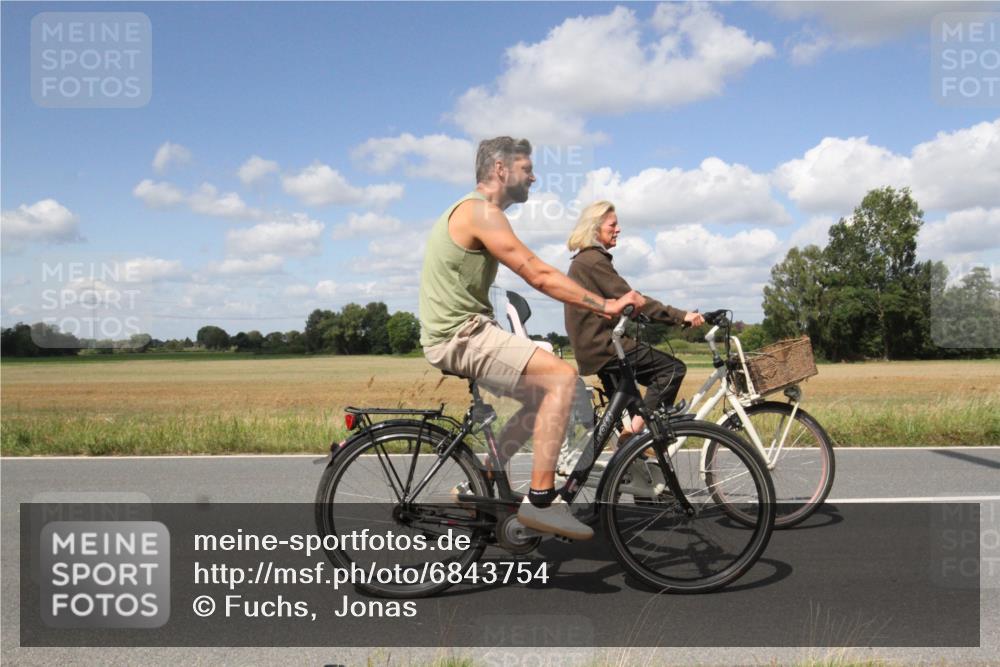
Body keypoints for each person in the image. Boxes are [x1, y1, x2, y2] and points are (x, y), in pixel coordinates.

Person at [418, 138, 644, 541]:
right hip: (461, 335)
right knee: (562, 380)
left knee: (542, 394)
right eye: (527, 168)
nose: (534, 176)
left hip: (461, 331)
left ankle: (483, 479)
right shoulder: (479, 212)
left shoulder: (473, 211)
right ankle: (541, 502)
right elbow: (536, 273)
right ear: (501, 170)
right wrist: (605, 306)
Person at [564, 200, 705, 442]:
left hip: (593, 349)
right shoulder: (594, 260)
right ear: (595, 228)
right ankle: (635, 433)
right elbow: (633, 300)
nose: (618, 229)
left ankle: (633, 447)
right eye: (613, 225)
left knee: (633, 413)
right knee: (672, 370)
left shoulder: (584, 261)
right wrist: (681, 316)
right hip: (605, 347)